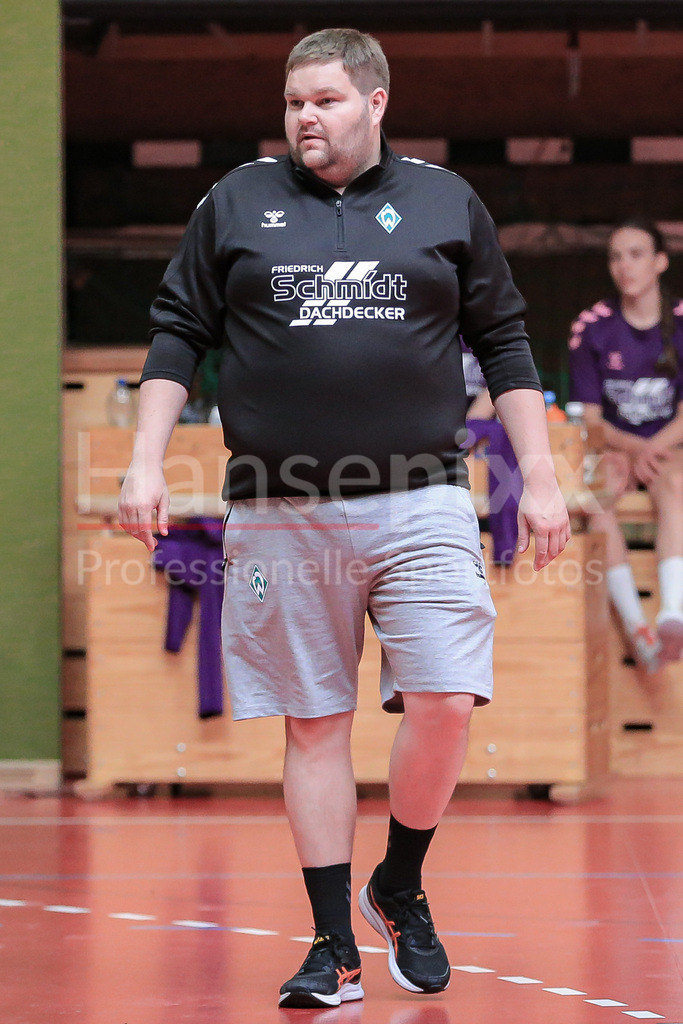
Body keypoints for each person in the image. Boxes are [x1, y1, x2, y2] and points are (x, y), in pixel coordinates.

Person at [119, 27, 570, 1009]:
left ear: (374, 101)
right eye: (292, 103)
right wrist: (144, 461)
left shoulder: (444, 201)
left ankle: (398, 879)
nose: (303, 118)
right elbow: (176, 333)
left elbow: (503, 343)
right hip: (280, 510)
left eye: (323, 100)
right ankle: (332, 946)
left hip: (422, 496)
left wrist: (537, 475)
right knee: (314, 725)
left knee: (446, 697)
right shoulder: (235, 201)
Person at [568, 218, 683, 671]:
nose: (624, 266)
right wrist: (635, 449)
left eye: (636, 254)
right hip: (615, 449)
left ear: (660, 262)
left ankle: (673, 612)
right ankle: (639, 631)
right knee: (595, 502)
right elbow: (591, 419)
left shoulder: (679, 322)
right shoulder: (592, 327)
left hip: (665, 449)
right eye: (616, 256)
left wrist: (652, 449)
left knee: (672, 484)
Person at [461, 340, 523, 565]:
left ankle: (503, 548)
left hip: (480, 441)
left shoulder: (488, 329)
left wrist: (467, 433)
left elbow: (501, 382)